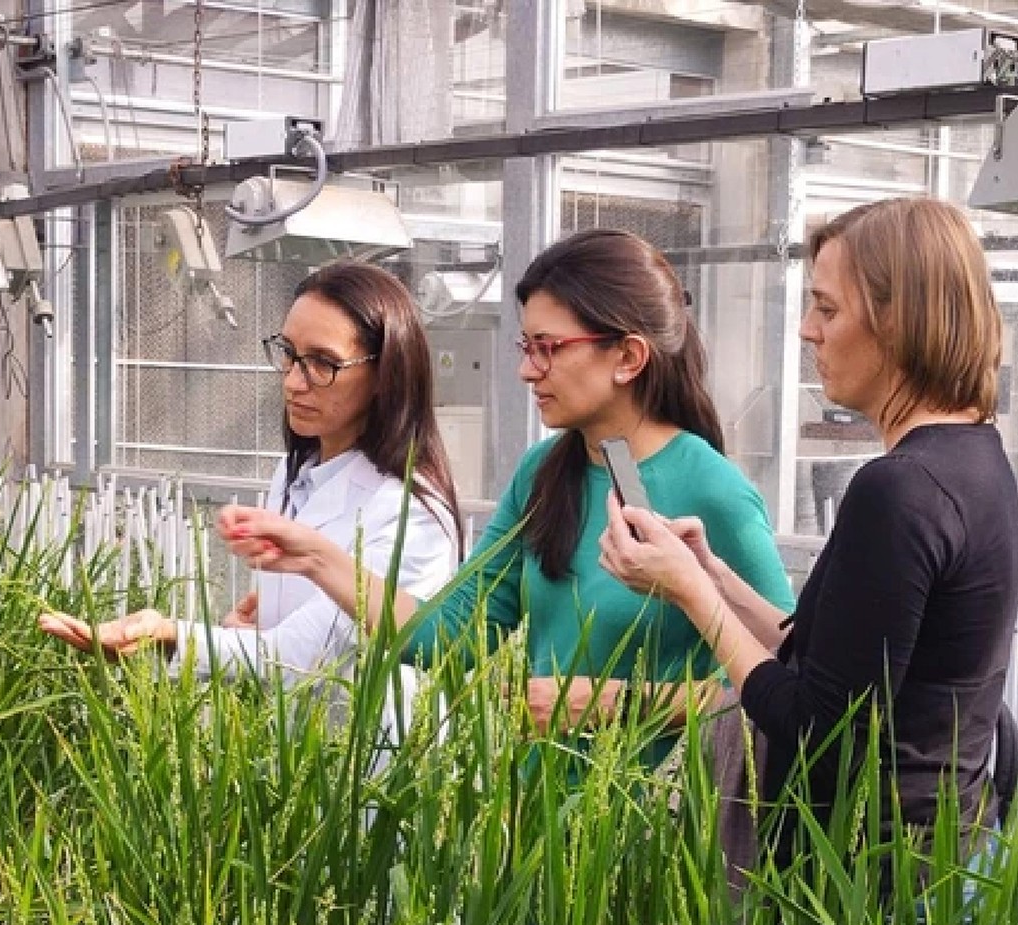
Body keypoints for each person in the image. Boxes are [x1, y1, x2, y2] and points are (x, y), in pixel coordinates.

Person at [217, 229, 794, 764]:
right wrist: (316, 557)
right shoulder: (543, 473)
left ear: (628, 357)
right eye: (526, 344)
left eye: (547, 347)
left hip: (660, 834)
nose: (525, 369)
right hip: (538, 816)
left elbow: (786, 690)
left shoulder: (712, 490)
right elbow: (450, 640)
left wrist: (618, 702)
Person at [598, 197, 1018, 862]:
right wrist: (716, 576)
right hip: (940, 857)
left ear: (899, 320)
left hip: (866, 891)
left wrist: (694, 597)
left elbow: (813, 726)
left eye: (828, 309)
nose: (807, 330)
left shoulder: (900, 489)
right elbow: (842, 667)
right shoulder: (975, 460)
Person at [38, 261, 464, 723]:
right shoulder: (294, 472)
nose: (293, 381)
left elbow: (299, 657)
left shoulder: (410, 512)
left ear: (386, 376)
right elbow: (286, 640)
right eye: (289, 353)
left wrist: (166, 634)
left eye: (323, 363)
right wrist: (249, 629)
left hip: (374, 768)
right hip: (295, 750)